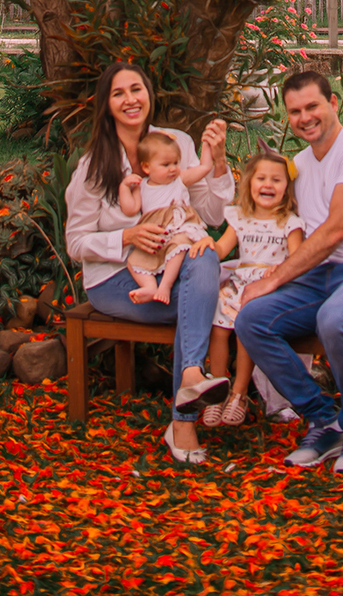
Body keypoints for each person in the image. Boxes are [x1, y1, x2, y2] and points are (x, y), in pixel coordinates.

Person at [234, 69, 343, 477]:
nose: (304, 117)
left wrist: (274, 277)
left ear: (333, 104)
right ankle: (323, 419)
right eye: (295, 111)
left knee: (336, 320)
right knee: (252, 320)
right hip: (325, 274)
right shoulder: (297, 164)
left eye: (312, 106)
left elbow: (335, 231)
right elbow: (271, 216)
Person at [64, 59, 233, 465]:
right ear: (106, 104)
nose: (130, 100)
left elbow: (210, 215)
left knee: (204, 251)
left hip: (174, 269)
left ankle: (187, 393)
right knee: (206, 304)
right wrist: (126, 235)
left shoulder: (175, 143)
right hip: (119, 278)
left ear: (149, 94)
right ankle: (184, 420)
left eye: (136, 89)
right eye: (118, 93)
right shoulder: (94, 166)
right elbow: (75, 242)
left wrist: (221, 161)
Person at [202, 146, 304, 428]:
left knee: (246, 327)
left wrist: (279, 270)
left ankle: (239, 393)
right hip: (238, 282)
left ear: (287, 187)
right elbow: (222, 248)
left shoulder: (290, 223)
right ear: (249, 184)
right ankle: (216, 390)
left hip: (268, 286)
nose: (268, 185)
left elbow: (298, 258)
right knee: (219, 326)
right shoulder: (240, 218)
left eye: (276, 179)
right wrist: (204, 244)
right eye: (261, 179)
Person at [119, 129, 216, 304]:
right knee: (134, 261)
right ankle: (149, 287)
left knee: (180, 246)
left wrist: (208, 145)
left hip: (179, 226)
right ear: (147, 167)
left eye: (175, 163)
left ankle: (166, 285)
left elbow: (205, 168)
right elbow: (130, 208)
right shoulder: (142, 187)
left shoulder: (180, 179)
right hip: (155, 234)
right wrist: (124, 187)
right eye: (165, 165)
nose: (173, 169)